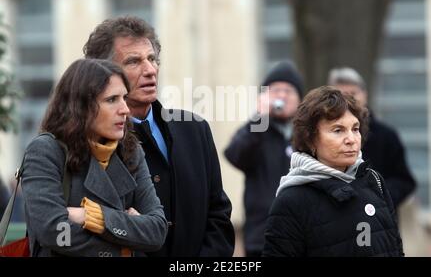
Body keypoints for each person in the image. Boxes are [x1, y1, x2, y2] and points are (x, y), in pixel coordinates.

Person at [83, 16, 235, 257]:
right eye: (134, 61)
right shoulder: (87, 144)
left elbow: (218, 215)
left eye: (152, 59)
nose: (150, 70)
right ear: (103, 73)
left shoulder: (195, 130)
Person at [21, 58, 168, 257]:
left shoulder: (131, 151)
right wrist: (126, 245)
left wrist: (92, 216)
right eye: (111, 99)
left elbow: (157, 231)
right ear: (81, 107)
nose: (125, 109)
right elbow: (53, 232)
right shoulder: (47, 151)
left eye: (124, 97)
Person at [262, 86, 404, 257]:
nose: (351, 139)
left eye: (355, 129)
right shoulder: (292, 200)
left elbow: (395, 248)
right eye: (338, 130)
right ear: (310, 139)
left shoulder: (374, 180)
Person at [224, 61, 303, 257]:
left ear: (300, 99)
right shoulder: (257, 129)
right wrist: (260, 118)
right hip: (261, 235)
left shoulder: (307, 135)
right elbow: (235, 154)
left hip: (302, 234)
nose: (282, 96)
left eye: (288, 91)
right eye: (276, 90)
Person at [328, 67, 416, 209]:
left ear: (365, 95)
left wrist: (377, 195)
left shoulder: (387, 135)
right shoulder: (323, 137)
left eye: (353, 93)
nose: (349, 100)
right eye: (342, 95)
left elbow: (405, 181)